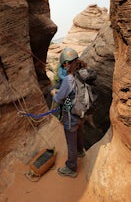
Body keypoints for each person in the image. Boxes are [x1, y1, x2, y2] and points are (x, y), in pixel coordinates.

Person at [51, 47, 86, 178]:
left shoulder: (68, 79)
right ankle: (80, 152)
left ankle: (71, 168)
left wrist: (54, 93)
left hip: (71, 115)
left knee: (71, 141)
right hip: (81, 111)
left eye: (64, 64)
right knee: (80, 132)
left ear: (66, 63)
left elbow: (59, 98)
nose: (64, 66)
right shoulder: (82, 73)